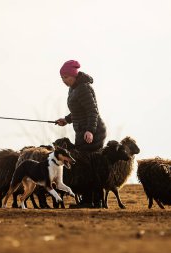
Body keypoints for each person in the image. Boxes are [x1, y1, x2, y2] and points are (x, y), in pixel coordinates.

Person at [55, 59, 107, 207]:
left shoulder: (83, 88)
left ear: (74, 75)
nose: (64, 81)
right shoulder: (73, 88)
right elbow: (78, 111)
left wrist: (90, 130)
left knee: (88, 166)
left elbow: (92, 111)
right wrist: (66, 119)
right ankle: (91, 201)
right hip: (82, 130)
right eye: (62, 78)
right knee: (86, 166)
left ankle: (92, 201)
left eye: (66, 77)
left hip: (93, 131)